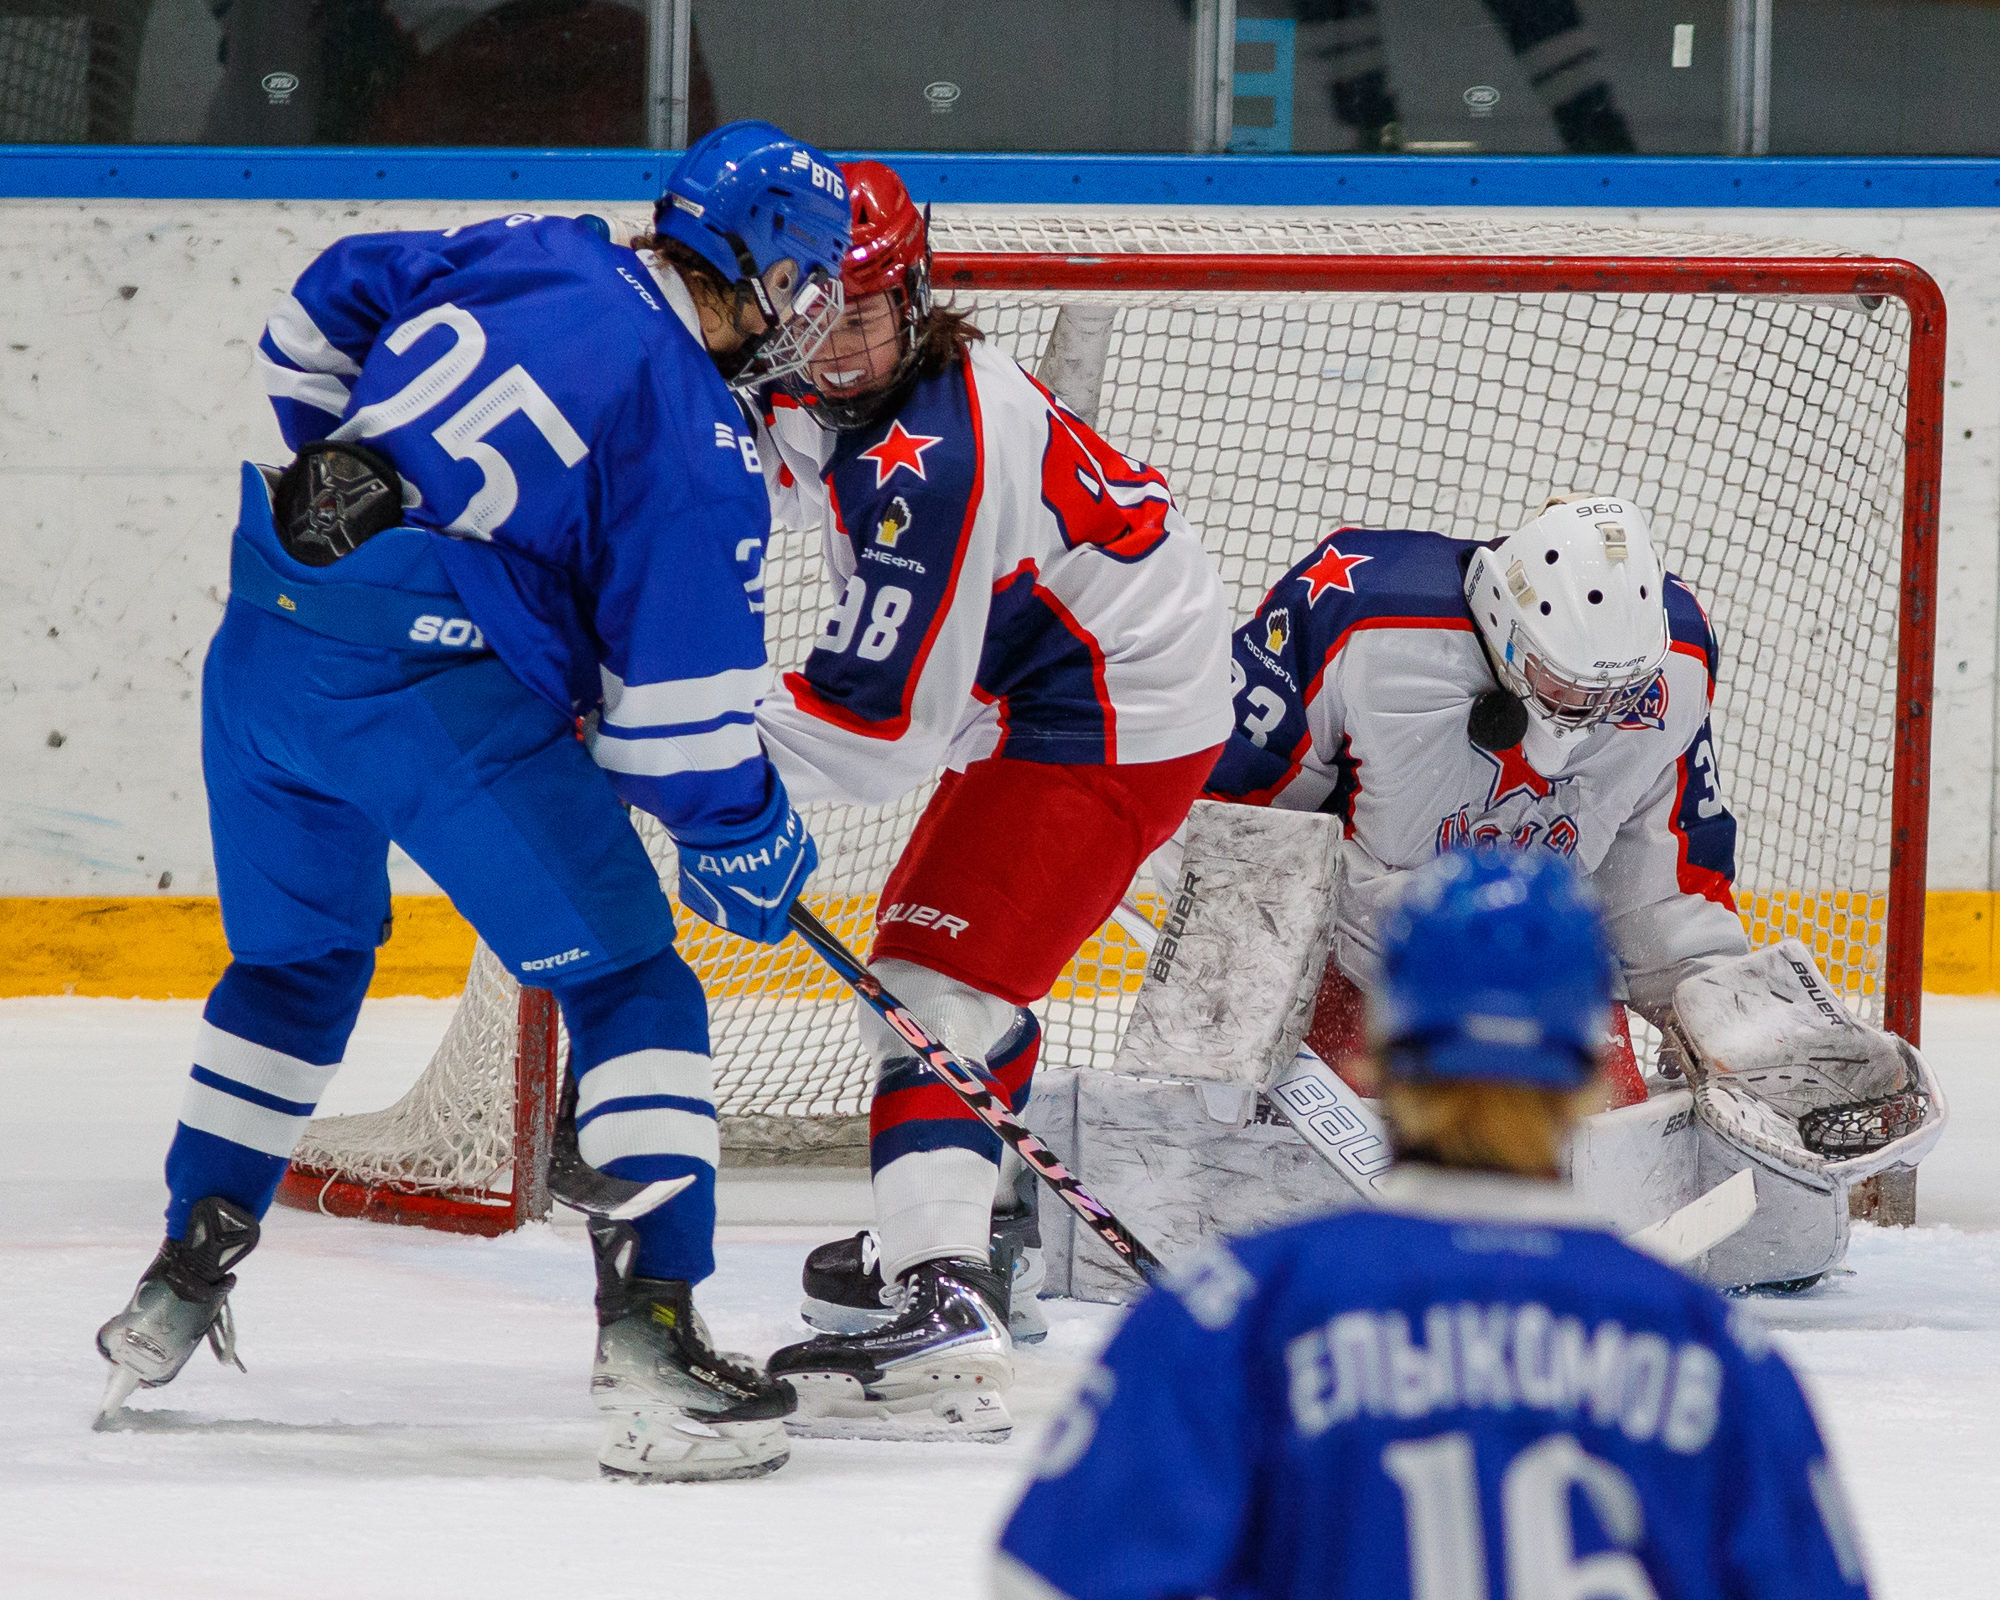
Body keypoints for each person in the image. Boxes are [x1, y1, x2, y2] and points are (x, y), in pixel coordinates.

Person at [93, 121, 850, 1484]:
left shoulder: (535, 248)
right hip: (423, 699)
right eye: (804, 286)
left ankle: (178, 1281)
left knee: (297, 963)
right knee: (635, 987)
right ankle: (657, 1347)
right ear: (762, 275)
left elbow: (327, 288)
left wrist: (332, 459)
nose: (805, 317)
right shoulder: (692, 433)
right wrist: (746, 832)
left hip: (263, 651)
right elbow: (676, 735)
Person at [994, 848, 1874, 1600]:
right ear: (1592, 1076)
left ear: (1374, 1046)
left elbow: (1046, 1580)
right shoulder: (1710, 1348)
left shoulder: (1237, 1310)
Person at [743, 161, 1235, 1440]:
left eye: (865, 313)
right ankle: (974, 1223)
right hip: (1032, 678)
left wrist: (692, 734)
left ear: (917, 296)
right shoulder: (816, 380)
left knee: (927, 994)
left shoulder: (938, 459)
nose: (838, 345)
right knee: (939, 980)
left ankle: (943, 1292)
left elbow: (879, 732)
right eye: (811, 312)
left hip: (1106, 706)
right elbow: (775, 469)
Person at [1202, 495, 1747, 1104]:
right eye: (1564, 686)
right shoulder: (1364, 618)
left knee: (1615, 1177)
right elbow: (1229, 817)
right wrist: (1234, 1012)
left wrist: (1731, 1023)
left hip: (1554, 987)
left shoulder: (1681, 666)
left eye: (1619, 695)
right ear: (1504, 626)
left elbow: (1661, 883)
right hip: (1359, 979)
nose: (1592, 718)